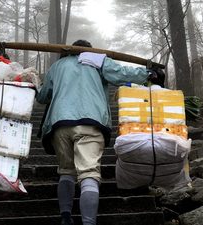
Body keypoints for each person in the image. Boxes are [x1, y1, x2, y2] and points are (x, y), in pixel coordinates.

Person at [36, 39, 160, 225]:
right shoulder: (96, 60)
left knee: (66, 171)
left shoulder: (57, 66)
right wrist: (148, 73)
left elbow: (43, 96)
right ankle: (88, 222)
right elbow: (120, 73)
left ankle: (66, 216)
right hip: (90, 122)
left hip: (59, 125)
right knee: (89, 174)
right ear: (88, 50)